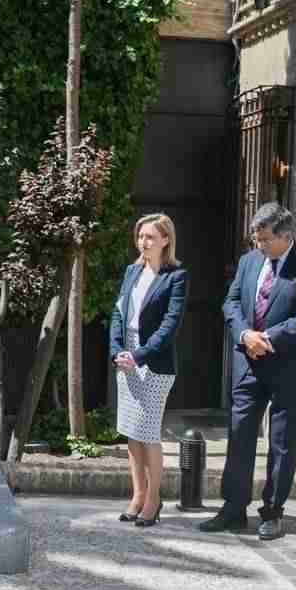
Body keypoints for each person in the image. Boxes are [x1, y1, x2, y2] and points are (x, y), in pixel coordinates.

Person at [201, 202, 296, 540]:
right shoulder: (249, 262)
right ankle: (232, 509)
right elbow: (230, 303)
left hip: (291, 367)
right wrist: (245, 335)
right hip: (248, 363)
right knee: (240, 434)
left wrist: (267, 338)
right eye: (256, 239)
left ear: (286, 236)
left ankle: (272, 512)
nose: (259, 245)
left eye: (265, 239)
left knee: (282, 443)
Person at [108, 214, 187, 527]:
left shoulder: (176, 276)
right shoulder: (132, 270)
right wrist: (117, 352)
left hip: (153, 363)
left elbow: (169, 325)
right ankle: (137, 495)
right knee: (131, 431)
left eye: (151, 237)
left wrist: (138, 355)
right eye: (141, 236)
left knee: (148, 431)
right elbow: (118, 312)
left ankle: (154, 500)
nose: (144, 242)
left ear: (165, 240)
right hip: (126, 359)